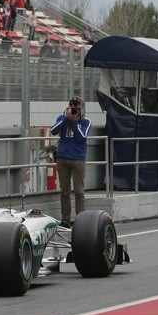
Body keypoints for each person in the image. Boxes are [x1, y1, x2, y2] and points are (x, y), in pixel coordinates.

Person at [51, 97, 92, 228]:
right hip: (63, 158)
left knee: (79, 191)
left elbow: (82, 137)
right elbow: (54, 131)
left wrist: (74, 122)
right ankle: (65, 220)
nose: (75, 110)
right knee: (65, 191)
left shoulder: (86, 122)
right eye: (72, 107)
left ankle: (80, 220)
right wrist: (66, 119)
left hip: (78, 159)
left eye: (78, 108)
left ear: (82, 109)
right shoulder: (62, 118)